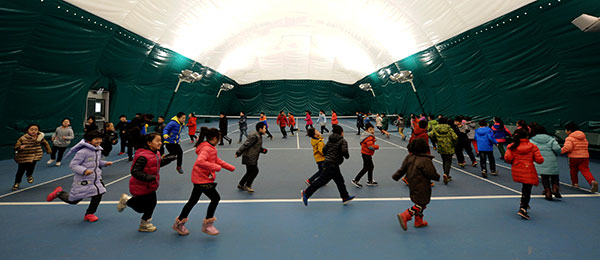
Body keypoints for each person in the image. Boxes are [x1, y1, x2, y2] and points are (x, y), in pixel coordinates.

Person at [172, 127, 235, 236]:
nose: (220, 140)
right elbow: (200, 162)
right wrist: (216, 167)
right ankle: (208, 225)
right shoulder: (207, 149)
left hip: (201, 178)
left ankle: (178, 223)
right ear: (215, 138)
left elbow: (215, 160)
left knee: (193, 201)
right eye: (219, 138)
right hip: (202, 179)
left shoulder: (210, 147)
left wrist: (229, 167)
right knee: (215, 198)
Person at [46, 130, 113, 222]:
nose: (99, 141)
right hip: (84, 180)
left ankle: (89, 214)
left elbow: (96, 162)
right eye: (96, 139)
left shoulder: (97, 150)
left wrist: (104, 163)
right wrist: (84, 171)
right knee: (74, 201)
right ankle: (59, 193)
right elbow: (73, 165)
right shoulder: (83, 152)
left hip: (96, 179)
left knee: (98, 194)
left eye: (100, 139)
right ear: (89, 141)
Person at [117, 133, 176, 232]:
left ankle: (144, 223)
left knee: (152, 204)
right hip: (141, 186)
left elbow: (156, 163)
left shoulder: (155, 153)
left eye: (160, 141)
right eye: (157, 141)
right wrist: (147, 177)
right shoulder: (142, 156)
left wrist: (168, 159)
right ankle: (127, 200)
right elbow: (135, 171)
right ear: (149, 143)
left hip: (150, 185)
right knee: (141, 208)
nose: (160, 143)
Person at [393, 138, 440, 231]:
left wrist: (396, 176)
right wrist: (437, 177)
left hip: (412, 183)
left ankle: (418, 221)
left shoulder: (409, 157)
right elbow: (430, 172)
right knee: (422, 203)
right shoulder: (425, 160)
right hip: (422, 184)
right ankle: (406, 215)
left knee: (419, 201)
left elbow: (402, 169)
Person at [301, 125, 355, 206]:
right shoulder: (343, 141)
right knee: (322, 181)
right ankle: (306, 193)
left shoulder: (330, 140)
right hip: (332, 164)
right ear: (341, 132)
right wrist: (346, 156)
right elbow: (345, 152)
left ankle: (345, 197)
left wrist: (329, 156)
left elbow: (324, 150)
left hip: (329, 162)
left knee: (339, 181)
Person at [504, 129, 544, 220]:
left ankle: (523, 203)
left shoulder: (512, 146)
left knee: (525, 188)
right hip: (529, 169)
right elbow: (540, 160)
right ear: (527, 136)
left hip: (517, 168)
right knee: (527, 189)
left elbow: (508, 158)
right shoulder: (532, 146)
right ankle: (523, 208)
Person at [561, 122, 598, 193]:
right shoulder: (583, 137)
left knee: (573, 170)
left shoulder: (569, 138)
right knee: (585, 170)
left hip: (574, 157)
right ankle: (592, 181)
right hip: (585, 156)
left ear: (569, 130)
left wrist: (560, 151)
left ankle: (575, 183)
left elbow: (567, 148)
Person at [12, 124, 51, 190]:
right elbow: (15, 147)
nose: (34, 131)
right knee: (20, 171)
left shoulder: (40, 138)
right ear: (28, 130)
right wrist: (19, 147)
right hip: (23, 156)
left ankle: (29, 175)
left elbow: (45, 143)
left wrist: (48, 150)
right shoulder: (23, 138)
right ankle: (17, 182)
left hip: (35, 156)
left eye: (36, 130)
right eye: (32, 130)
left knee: (31, 168)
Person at [529, 123, 562, 200]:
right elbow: (557, 149)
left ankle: (547, 191)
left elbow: (530, 149)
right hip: (551, 159)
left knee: (545, 177)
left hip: (540, 160)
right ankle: (555, 187)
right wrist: (557, 154)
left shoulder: (532, 140)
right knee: (555, 175)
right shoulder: (551, 139)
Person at [235, 122, 268, 193]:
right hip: (250, 157)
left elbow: (256, 146)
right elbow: (246, 145)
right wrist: (238, 152)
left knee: (249, 172)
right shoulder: (254, 136)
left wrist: (262, 150)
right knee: (255, 171)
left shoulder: (259, 136)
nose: (266, 130)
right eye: (265, 128)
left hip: (251, 156)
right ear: (260, 129)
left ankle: (241, 184)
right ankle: (248, 185)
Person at [429, 117, 458, 185]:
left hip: (441, 146)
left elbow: (430, 134)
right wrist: (454, 144)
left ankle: (446, 173)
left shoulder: (436, 128)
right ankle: (446, 174)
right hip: (449, 146)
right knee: (448, 160)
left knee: (444, 160)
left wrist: (435, 140)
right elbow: (455, 137)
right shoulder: (449, 128)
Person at [352, 123, 380, 188]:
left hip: (365, 154)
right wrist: (377, 146)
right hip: (366, 154)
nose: (372, 131)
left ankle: (370, 181)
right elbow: (370, 147)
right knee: (366, 168)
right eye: (370, 130)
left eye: (373, 129)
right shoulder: (369, 137)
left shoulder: (365, 136)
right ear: (367, 130)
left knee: (371, 167)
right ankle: (356, 180)